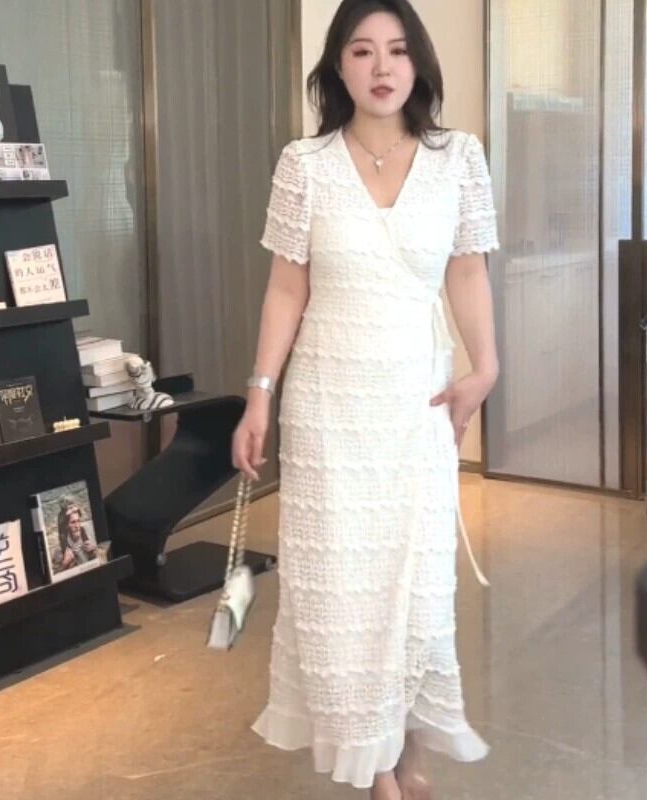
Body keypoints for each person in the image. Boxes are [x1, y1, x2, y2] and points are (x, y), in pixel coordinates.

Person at [232, 1, 499, 796]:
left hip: (416, 405)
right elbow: (287, 288)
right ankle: (378, 769)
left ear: (419, 63)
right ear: (337, 68)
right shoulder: (305, 164)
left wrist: (486, 367)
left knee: (416, 588)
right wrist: (259, 395)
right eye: (361, 51)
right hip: (329, 408)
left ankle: (407, 744)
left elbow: (467, 269)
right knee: (344, 594)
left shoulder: (459, 158)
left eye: (397, 50)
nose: (382, 67)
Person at [53, 501, 97, 572]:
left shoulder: (90, 537)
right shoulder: (60, 551)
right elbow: (54, 575)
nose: (77, 526)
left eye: (78, 521)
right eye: (73, 522)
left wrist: (95, 551)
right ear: (66, 526)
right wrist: (65, 564)